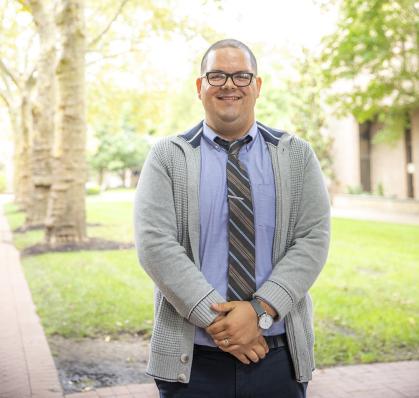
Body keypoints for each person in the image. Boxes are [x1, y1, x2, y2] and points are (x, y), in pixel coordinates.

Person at [134, 38, 330, 398]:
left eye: (241, 76)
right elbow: (155, 246)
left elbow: (313, 238)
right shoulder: (167, 157)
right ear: (200, 87)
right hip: (192, 361)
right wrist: (224, 325)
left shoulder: (297, 156)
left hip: (278, 358)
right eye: (217, 75)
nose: (229, 85)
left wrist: (258, 311)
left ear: (257, 86)